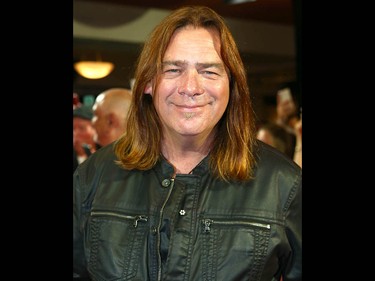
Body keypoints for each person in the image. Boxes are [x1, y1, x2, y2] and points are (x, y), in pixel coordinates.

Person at [73, 5, 302, 281]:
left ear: (231, 85)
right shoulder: (93, 176)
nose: (190, 87)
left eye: (209, 71)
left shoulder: (282, 183)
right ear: (147, 83)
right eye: (173, 70)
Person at [73, 105, 100, 172]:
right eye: (73, 128)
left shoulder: (106, 154)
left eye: (81, 128)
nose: (75, 133)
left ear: (95, 129)